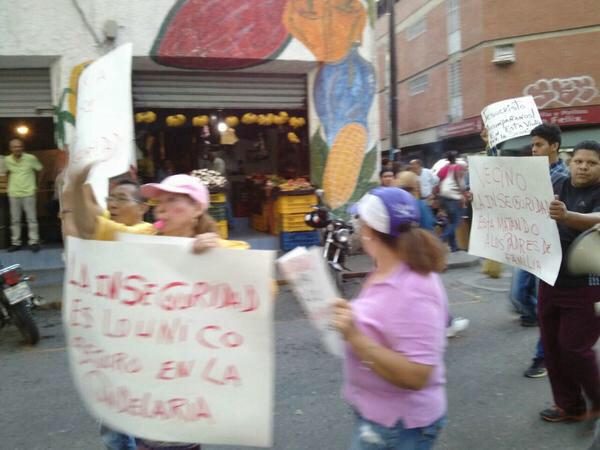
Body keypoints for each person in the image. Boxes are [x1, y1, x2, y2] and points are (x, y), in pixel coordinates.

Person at [331, 187, 448, 449]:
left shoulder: (414, 288)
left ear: (370, 231)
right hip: (378, 416)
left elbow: (417, 375)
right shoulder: (386, 269)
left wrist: (354, 336)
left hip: (400, 427)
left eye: (359, 222)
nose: (358, 229)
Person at [538, 140, 600, 423]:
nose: (584, 166)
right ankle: (569, 405)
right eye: (579, 161)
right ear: (570, 161)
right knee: (551, 347)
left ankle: (597, 400)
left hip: (585, 285)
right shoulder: (558, 184)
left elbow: (595, 219)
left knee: (574, 348)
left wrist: (567, 216)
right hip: (549, 278)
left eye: (592, 162)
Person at [519, 123, 571, 378]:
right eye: (533, 145)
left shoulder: (562, 177)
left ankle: (543, 356)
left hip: (549, 250)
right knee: (520, 295)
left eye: (539, 145)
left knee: (546, 307)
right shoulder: (532, 172)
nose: (534, 149)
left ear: (554, 146)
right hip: (529, 244)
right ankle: (545, 333)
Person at [395, 171, 470, 338]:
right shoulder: (417, 204)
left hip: (399, 258)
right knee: (434, 292)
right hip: (419, 255)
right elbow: (428, 229)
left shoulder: (394, 204)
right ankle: (447, 324)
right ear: (416, 186)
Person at [5, 138, 43, 252]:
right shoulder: (7, 160)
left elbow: (41, 170)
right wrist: (8, 185)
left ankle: (33, 242)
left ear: (23, 147)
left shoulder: (31, 158)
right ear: (11, 148)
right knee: (15, 220)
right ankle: (16, 243)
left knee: (31, 219)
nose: (18, 148)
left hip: (29, 192)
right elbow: (6, 173)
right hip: (13, 193)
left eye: (20, 146)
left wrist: (38, 185)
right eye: (15, 147)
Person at [437, 151, 466, 252]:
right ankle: (440, 239)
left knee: (450, 222)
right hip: (453, 197)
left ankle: (454, 246)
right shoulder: (456, 167)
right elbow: (459, 181)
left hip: (443, 197)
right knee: (456, 222)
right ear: (455, 158)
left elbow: (439, 183)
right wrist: (463, 194)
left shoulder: (443, 169)